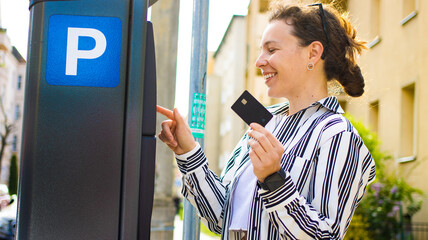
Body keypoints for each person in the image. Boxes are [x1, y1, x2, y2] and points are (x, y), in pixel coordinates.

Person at [157, 2, 376, 239]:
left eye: (271, 50)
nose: (259, 62)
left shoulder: (337, 135)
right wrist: (188, 152)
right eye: (261, 51)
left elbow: (325, 236)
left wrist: (274, 179)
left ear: (313, 53)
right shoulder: (263, 124)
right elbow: (222, 217)